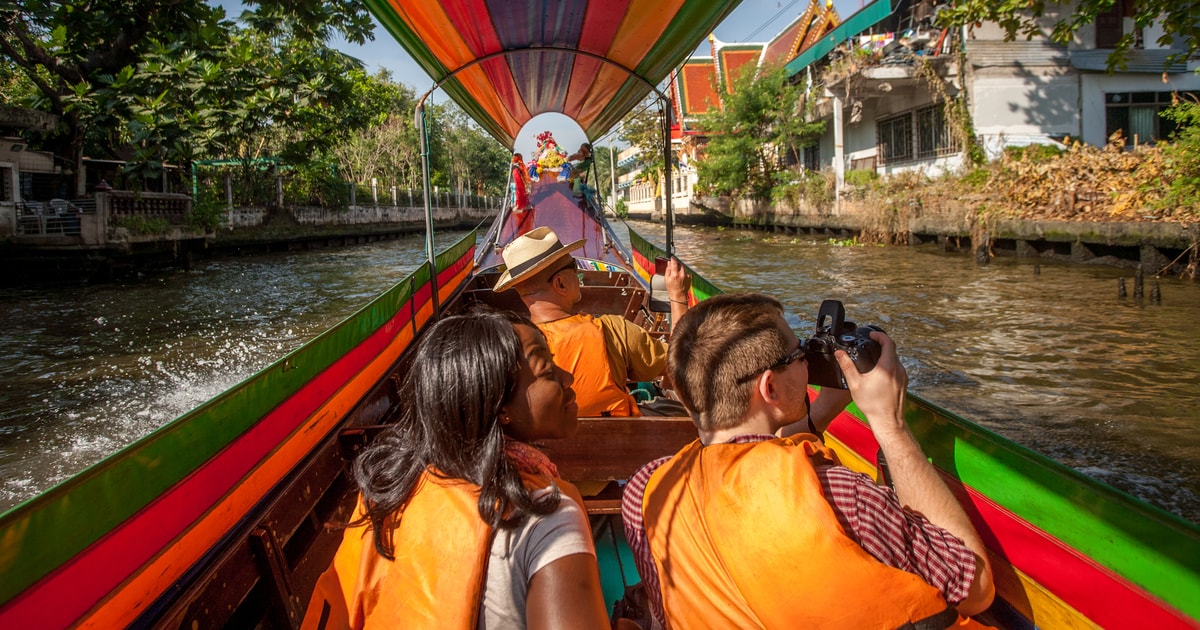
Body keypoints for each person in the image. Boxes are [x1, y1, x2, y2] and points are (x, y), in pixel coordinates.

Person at [621, 293, 995, 629]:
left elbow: (748, 472)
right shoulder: (842, 496)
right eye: (799, 355)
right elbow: (975, 587)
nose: (807, 364)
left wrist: (821, 411)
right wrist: (890, 424)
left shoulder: (645, 491)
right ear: (769, 387)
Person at [302, 310, 610, 629]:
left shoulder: (388, 493)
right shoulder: (546, 516)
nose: (567, 377)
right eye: (546, 369)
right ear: (499, 406)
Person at [493, 227, 690, 418]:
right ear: (560, 283)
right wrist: (678, 296)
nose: (578, 273)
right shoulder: (614, 331)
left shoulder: (505, 349)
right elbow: (683, 362)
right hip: (622, 442)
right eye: (574, 267)